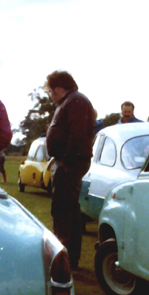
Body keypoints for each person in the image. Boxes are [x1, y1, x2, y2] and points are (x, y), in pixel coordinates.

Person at [45, 71, 95, 269]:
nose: (50, 95)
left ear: (58, 88)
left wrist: (66, 161)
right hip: (70, 163)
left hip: (70, 164)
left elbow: (77, 134)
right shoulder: (72, 101)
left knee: (62, 211)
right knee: (69, 209)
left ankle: (63, 259)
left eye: (50, 91)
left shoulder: (75, 101)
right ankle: (69, 258)